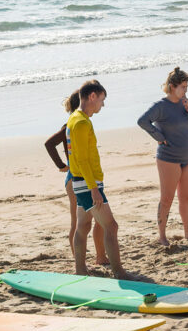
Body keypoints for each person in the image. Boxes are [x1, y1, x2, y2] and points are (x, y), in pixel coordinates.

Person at [137, 66, 188, 246]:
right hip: (168, 159)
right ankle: (162, 236)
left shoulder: (186, 103)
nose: (185, 90)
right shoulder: (160, 106)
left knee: (186, 197)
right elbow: (142, 121)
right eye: (183, 87)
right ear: (172, 86)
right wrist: (159, 137)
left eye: (187, 87)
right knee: (167, 198)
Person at [67, 80, 127, 278]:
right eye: (101, 100)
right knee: (111, 226)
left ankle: (80, 270)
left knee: (83, 226)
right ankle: (119, 273)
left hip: (81, 182)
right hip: (87, 184)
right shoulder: (82, 122)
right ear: (92, 96)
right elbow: (82, 159)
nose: (102, 104)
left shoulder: (75, 119)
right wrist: (94, 188)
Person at [44, 90, 108, 265]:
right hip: (75, 177)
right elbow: (49, 144)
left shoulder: (82, 123)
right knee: (79, 223)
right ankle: (78, 260)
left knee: (98, 221)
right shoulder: (72, 126)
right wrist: (62, 166)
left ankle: (101, 257)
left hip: (83, 176)